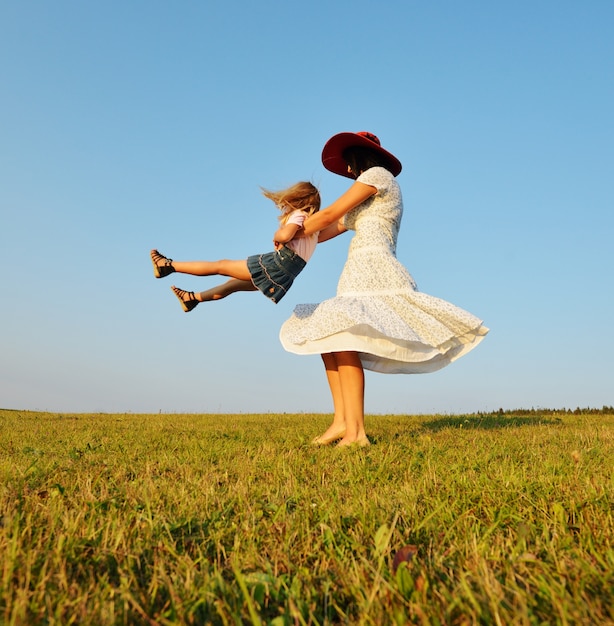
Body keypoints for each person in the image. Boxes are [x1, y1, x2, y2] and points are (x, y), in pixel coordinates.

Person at [279, 131, 489, 447]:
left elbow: (329, 215)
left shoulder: (379, 176)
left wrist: (290, 230)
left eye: (348, 165)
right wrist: (294, 228)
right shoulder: (363, 199)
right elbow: (322, 233)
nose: (348, 172)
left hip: (376, 267)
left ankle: (357, 433)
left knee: (344, 339)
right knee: (331, 340)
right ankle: (341, 422)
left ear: (357, 160)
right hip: (354, 271)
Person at [150, 181, 321, 311]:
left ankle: (168, 265)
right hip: (285, 276)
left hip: (277, 264)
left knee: (220, 265)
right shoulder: (314, 232)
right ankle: (192, 298)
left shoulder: (300, 215)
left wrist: (278, 237)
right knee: (232, 285)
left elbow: (284, 235)